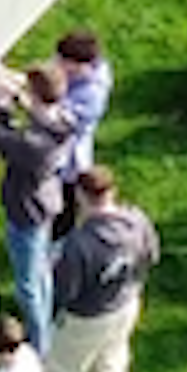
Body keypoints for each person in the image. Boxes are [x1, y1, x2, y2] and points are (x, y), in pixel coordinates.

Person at [38, 166, 160, 372]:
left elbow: (66, 291)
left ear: (80, 196)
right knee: (112, 366)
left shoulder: (79, 243)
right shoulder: (137, 220)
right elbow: (152, 255)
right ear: (112, 191)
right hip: (126, 304)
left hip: (87, 317)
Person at [0, 62, 71, 355]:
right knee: (42, 272)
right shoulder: (63, 120)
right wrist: (19, 98)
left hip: (26, 210)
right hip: (47, 203)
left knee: (27, 285)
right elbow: (35, 119)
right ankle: (48, 328)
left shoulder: (34, 145)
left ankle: (40, 347)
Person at [52, 29, 112, 236]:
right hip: (56, 153)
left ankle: (59, 245)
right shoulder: (71, 68)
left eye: (63, 62)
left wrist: (28, 100)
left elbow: (60, 119)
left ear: (80, 65)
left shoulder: (93, 93)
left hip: (70, 160)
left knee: (63, 209)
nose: (56, 64)